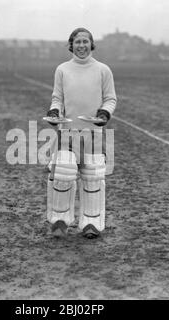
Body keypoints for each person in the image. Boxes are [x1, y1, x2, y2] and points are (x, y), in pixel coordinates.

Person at [46, 27, 117, 239]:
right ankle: (60, 220)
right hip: (68, 131)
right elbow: (57, 98)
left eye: (85, 42)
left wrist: (104, 113)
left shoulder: (103, 70)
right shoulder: (62, 70)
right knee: (63, 173)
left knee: (93, 177)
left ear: (91, 44)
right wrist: (54, 112)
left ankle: (92, 224)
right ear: (71, 45)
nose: (82, 46)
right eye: (78, 42)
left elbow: (111, 98)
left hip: (93, 133)